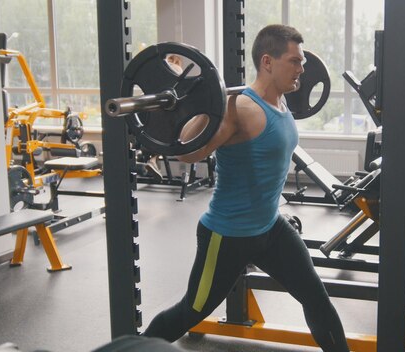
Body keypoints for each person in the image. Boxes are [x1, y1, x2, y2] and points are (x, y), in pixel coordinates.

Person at [142, 24, 350, 352]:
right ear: (267, 62)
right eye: (294, 61)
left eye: (302, 62)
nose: (301, 68)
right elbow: (188, 151)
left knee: (317, 299)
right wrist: (192, 98)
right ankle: (135, 347)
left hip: (271, 228)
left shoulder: (282, 104)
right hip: (227, 235)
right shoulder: (239, 108)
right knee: (192, 311)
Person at [142, 54, 185, 181]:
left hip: (151, 122)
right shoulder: (178, 71)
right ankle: (153, 160)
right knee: (170, 133)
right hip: (167, 123)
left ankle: (152, 160)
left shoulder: (159, 73)